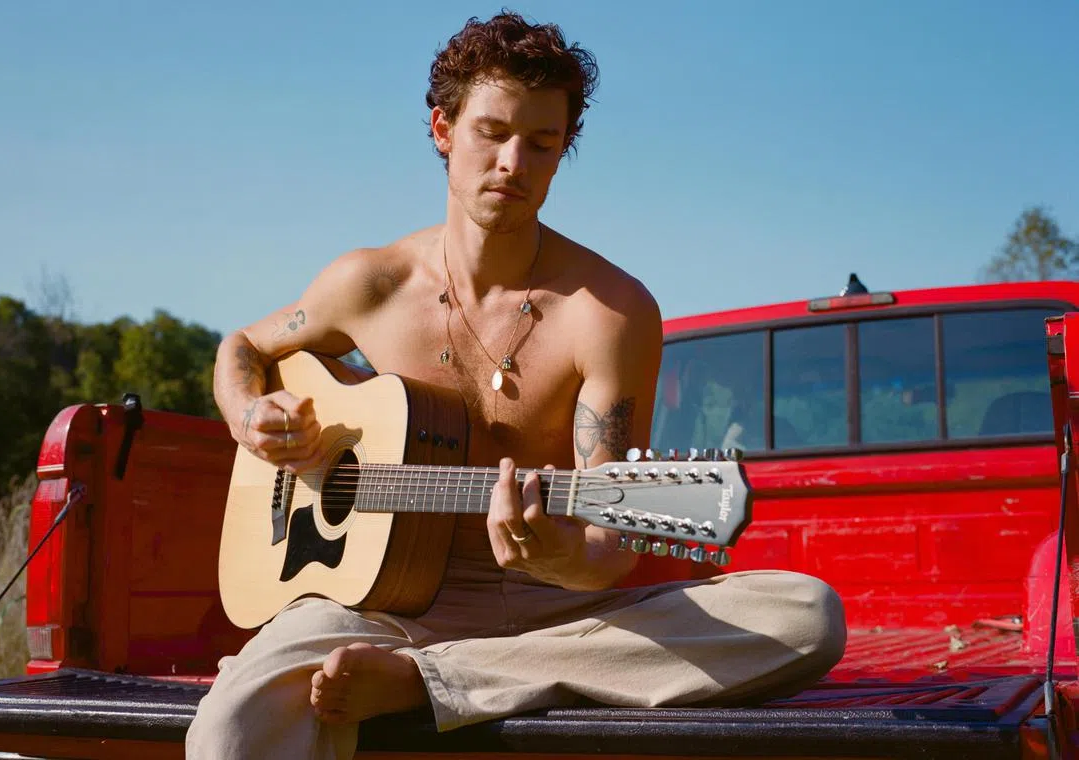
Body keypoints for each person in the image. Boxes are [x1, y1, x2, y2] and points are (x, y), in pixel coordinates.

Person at [187, 12, 846, 760]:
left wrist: (554, 556)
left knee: (805, 616)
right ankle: (445, 672)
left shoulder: (610, 313)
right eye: (491, 133)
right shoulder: (369, 283)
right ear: (442, 129)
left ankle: (431, 680)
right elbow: (241, 345)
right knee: (225, 730)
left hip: (559, 617)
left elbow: (610, 544)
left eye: (542, 143)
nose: (514, 162)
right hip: (377, 606)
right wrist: (251, 412)